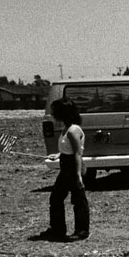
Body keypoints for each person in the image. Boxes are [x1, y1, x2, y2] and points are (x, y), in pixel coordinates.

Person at [36, 98, 90, 242]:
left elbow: (78, 153)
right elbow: (69, 150)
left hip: (72, 167)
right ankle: (57, 229)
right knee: (56, 198)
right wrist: (58, 155)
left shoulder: (73, 130)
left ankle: (82, 230)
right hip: (66, 165)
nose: (53, 115)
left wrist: (78, 175)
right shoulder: (65, 129)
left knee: (78, 200)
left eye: (55, 112)